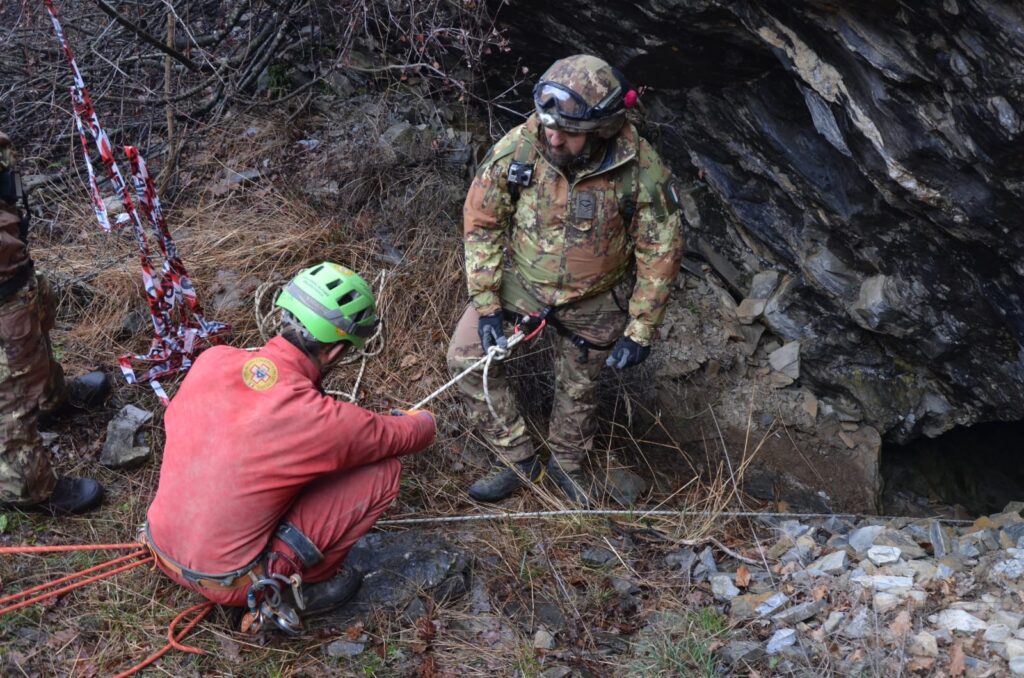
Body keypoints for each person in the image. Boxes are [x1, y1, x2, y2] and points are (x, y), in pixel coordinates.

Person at [144, 262, 436, 632]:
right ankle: (299, 588)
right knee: (383, 472)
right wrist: (424, 418)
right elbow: (409, 435)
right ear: (334, 352)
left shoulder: (212, 360)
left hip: (159, 543)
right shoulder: (322, 420)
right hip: (230, 581)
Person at [447, 55, 684, 507]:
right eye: (547, 124)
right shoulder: (520, 147)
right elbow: (482, 221)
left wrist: (640, 329)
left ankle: (566, 464)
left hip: (594, 298)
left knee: (578, 388)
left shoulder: (640, 169)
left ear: (602, 129)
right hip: (521, 282)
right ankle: (518, 459)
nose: (552, 137)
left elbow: (662, 248)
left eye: (568, 132)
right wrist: (487, 304)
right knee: (465, 361)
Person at [0, 132, 110, 515]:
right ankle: (25, 486)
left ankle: (50, 397)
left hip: (12, 270)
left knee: (30, 321)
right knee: (8, 380)